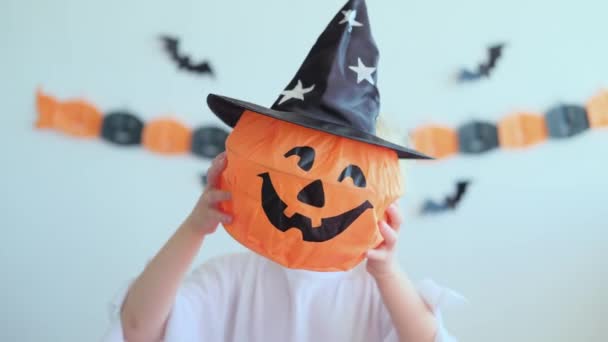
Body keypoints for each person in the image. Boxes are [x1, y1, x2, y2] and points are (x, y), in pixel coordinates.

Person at [101, 152, 462, 342]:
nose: (315, 194)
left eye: (350, 177)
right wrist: (195, 227)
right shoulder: (232, 278)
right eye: (302, 163)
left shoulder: (376, 294)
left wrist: (386, 271)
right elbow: (138, 329)